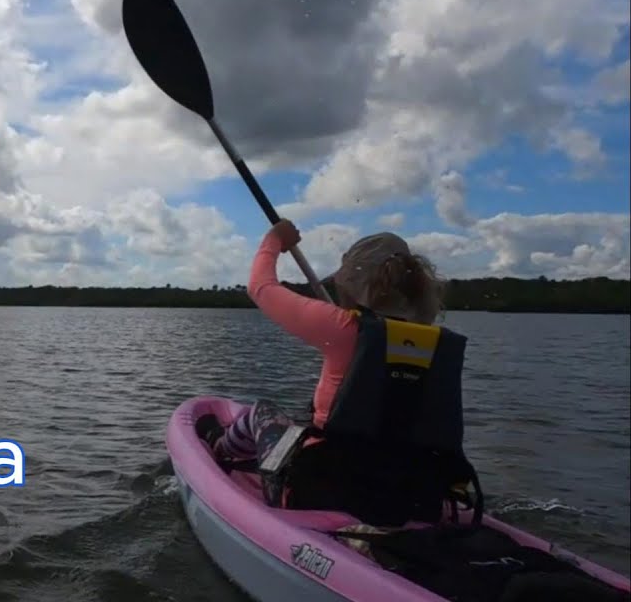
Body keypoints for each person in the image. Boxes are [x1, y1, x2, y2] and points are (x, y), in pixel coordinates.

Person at [205, 219, 479, 527]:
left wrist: (274, 239)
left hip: (324, 492)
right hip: (416, 497)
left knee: (261, 413)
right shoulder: (436, 345)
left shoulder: (343, 327)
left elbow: (260, 287)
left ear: (354, 283)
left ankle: (217, 450)